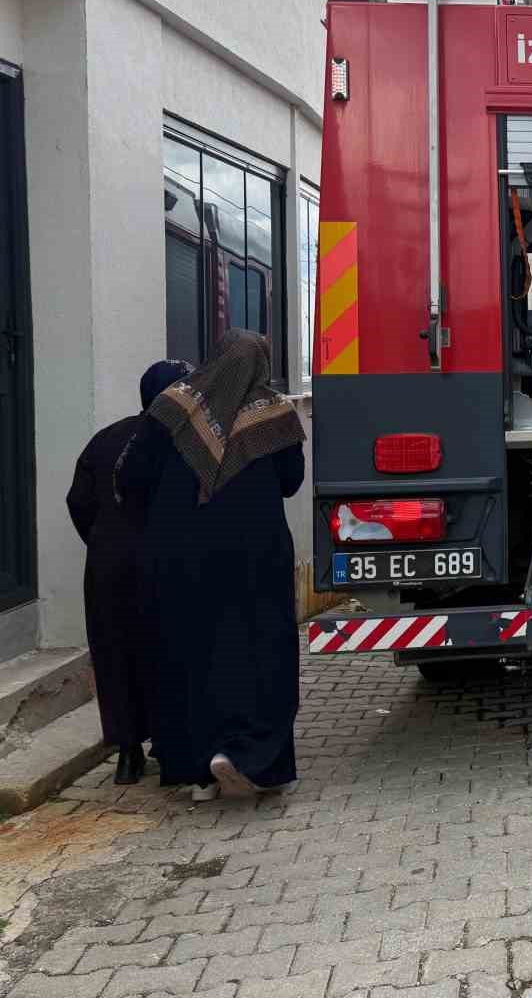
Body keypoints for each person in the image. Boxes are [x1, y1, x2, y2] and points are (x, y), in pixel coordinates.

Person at [116, 330, 305, 801]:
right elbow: (291, 482)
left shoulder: (172, 406)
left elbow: (134, 477)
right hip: (255, 558)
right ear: (260, 366)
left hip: (179, 555)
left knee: (190, 651)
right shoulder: (273, 414)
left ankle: (197, 768)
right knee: (261, 651)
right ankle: (250, 756)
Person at [65, 359, 192, 784]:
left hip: (108, 567)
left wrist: (103, 542)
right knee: (166, 650)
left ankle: (127, 753)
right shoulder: (181, 441)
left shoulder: (106, 438)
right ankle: (168, 745)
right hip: (163, 563)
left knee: (116, 653)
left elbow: (78, 501)